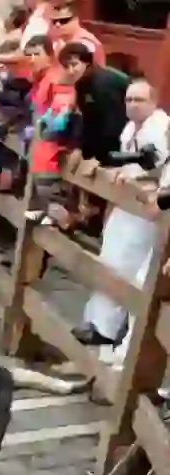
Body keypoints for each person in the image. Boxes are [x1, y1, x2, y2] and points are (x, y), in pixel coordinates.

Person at [74, 79, 169, 350]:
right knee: (109, 260)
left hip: (147, 211)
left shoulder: (162, 129)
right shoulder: (129, 128)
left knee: (134, 274)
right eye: (129, 100)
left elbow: (158, 172)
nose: (132, 105)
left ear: (153, 102)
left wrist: (145, 185)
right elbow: (129, 163)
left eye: (139, 100)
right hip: (126, 204)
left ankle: (117, 340)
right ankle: (97, 325)